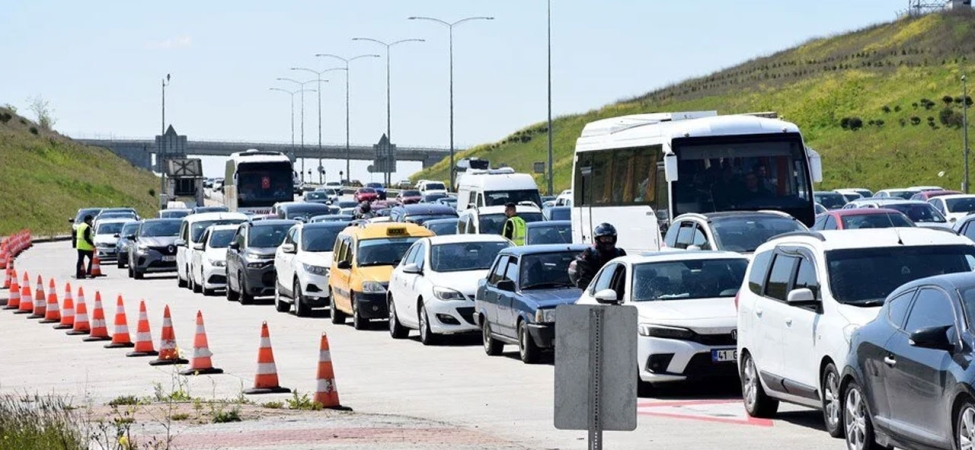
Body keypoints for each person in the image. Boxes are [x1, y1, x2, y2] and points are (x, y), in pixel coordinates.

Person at [568, 223, 626, 289]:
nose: (607, 241)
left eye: (609, 238)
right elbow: (584, 279)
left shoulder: (620, 253)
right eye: (604, 239)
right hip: (596, 290)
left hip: (618, 290)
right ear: (597, 239)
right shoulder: (589, 254)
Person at [75, 215, 96, 279]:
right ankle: (89, 272)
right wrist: (92, 244)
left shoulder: (80, 226)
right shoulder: (87, 227)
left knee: (80, 260)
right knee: (92, 259)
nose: (91, 222)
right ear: (88, 220)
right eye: (91, 220)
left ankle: (78, 274)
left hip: (79, 246)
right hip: (87, 247)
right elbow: (86, 238)